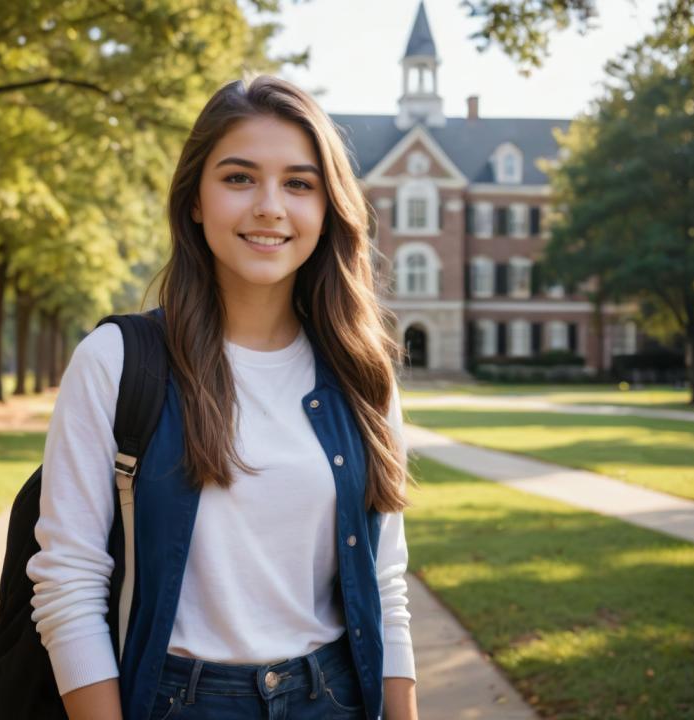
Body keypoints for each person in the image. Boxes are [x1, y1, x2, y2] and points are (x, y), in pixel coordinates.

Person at [26, 75, 419, 720]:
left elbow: (385, 582)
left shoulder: (361, 373)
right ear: (196, 201)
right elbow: (68, 581)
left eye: (299, 183)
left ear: (327, 208)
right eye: (239, 178)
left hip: (335, 698)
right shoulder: (118, 362)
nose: (270, 206)